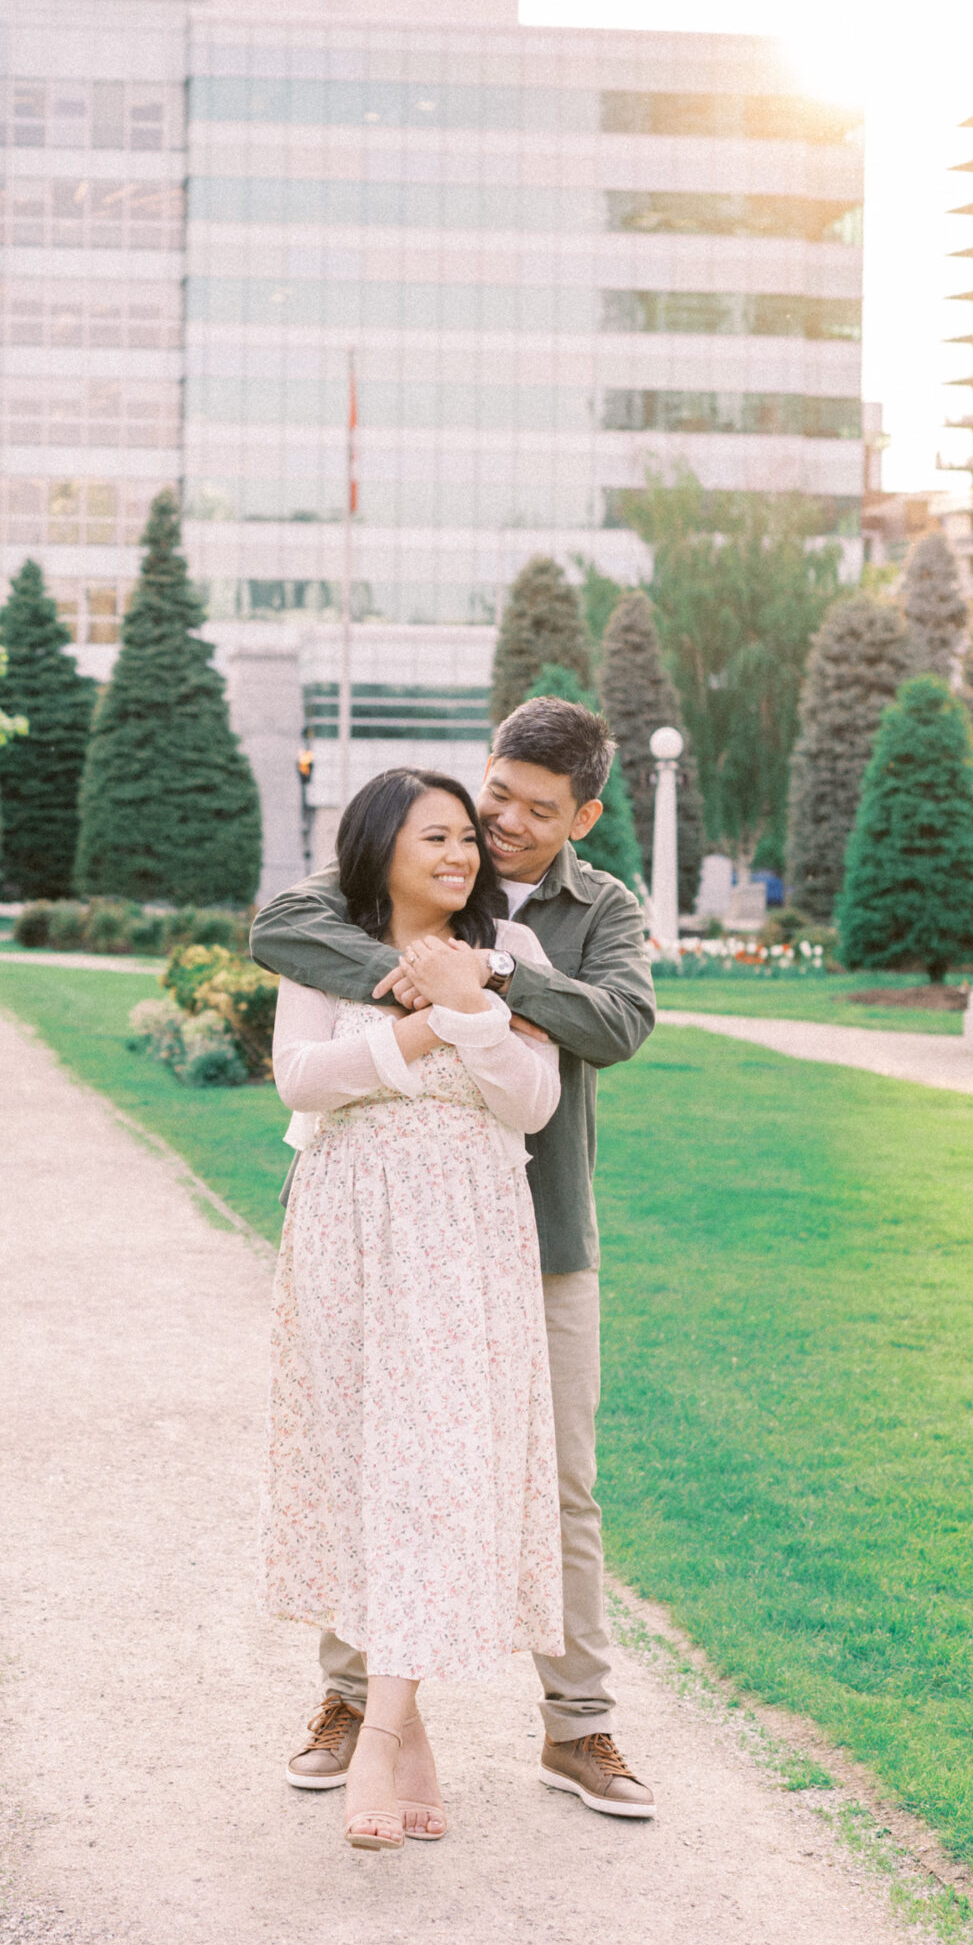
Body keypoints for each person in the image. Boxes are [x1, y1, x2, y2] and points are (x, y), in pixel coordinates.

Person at [251, 694, 659, 1819]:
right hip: (374, 1227)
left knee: (555, 1478)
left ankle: (577, 1727)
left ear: (584, 815)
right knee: (365, 1450)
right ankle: (356, 1703)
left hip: (532, 1228)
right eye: (492, 801)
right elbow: (281, 934)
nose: (502, 829)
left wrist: (490, 983)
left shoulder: (589, 912)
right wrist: (415, 974)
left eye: (535, 812)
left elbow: (617, 1028)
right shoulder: (363, 888)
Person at [261, 766, 565, 1851]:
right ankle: (412, 1728)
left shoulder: (512, 955)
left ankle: (379, 1734)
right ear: (381, 844)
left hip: (467, 1233)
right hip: (351, 1227)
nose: (461, 854)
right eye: (434, 836)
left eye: (466, 840)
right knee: (371, 1469)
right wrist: (431, 1026)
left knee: (438, 1470)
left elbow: (532, 1097)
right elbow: (301, 1076)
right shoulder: (326, 942)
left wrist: (475, 1004)